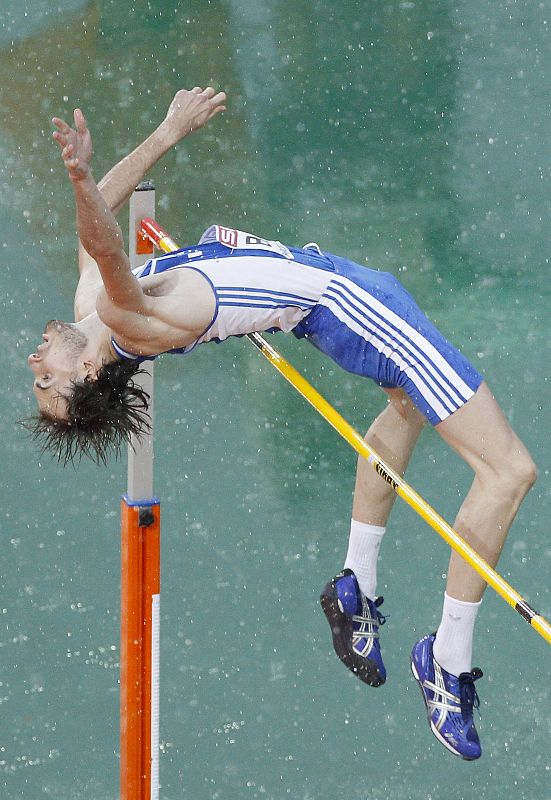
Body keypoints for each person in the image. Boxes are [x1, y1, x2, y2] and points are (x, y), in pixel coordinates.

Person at [26, 86, 536, 761]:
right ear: (87, 376)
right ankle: (445, 660)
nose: (34, 359)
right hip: (349, 306)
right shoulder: (126, 321)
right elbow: (105, 243)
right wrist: (79, 176)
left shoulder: (93, 306)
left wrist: (165, 131)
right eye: (44, 381)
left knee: (407, 405)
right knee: (507, 472)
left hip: (332, 299)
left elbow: (94, 229)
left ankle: (355, 583)